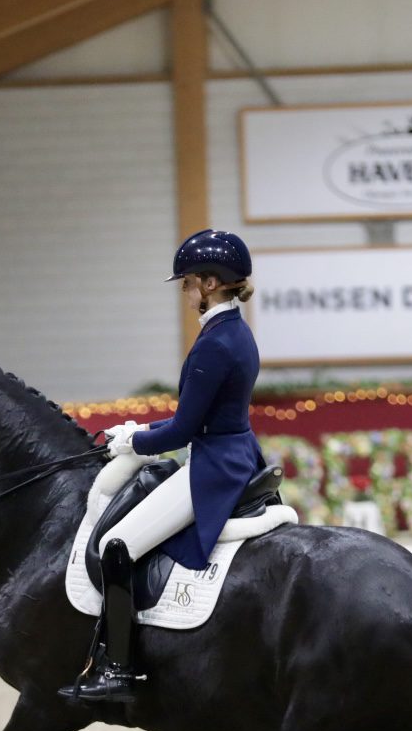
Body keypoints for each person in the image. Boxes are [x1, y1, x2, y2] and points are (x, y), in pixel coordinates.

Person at [60, 229, 267, 704]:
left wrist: (134, 440)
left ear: (211, 283)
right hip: (233, 451)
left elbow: (184, 431)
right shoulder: (235, 331)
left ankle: (119, 668)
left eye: (189, 283)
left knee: (115, 546)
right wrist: (137, 429)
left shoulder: (215, 343)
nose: (185, 292)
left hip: (214, 465)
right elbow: (197, 416)